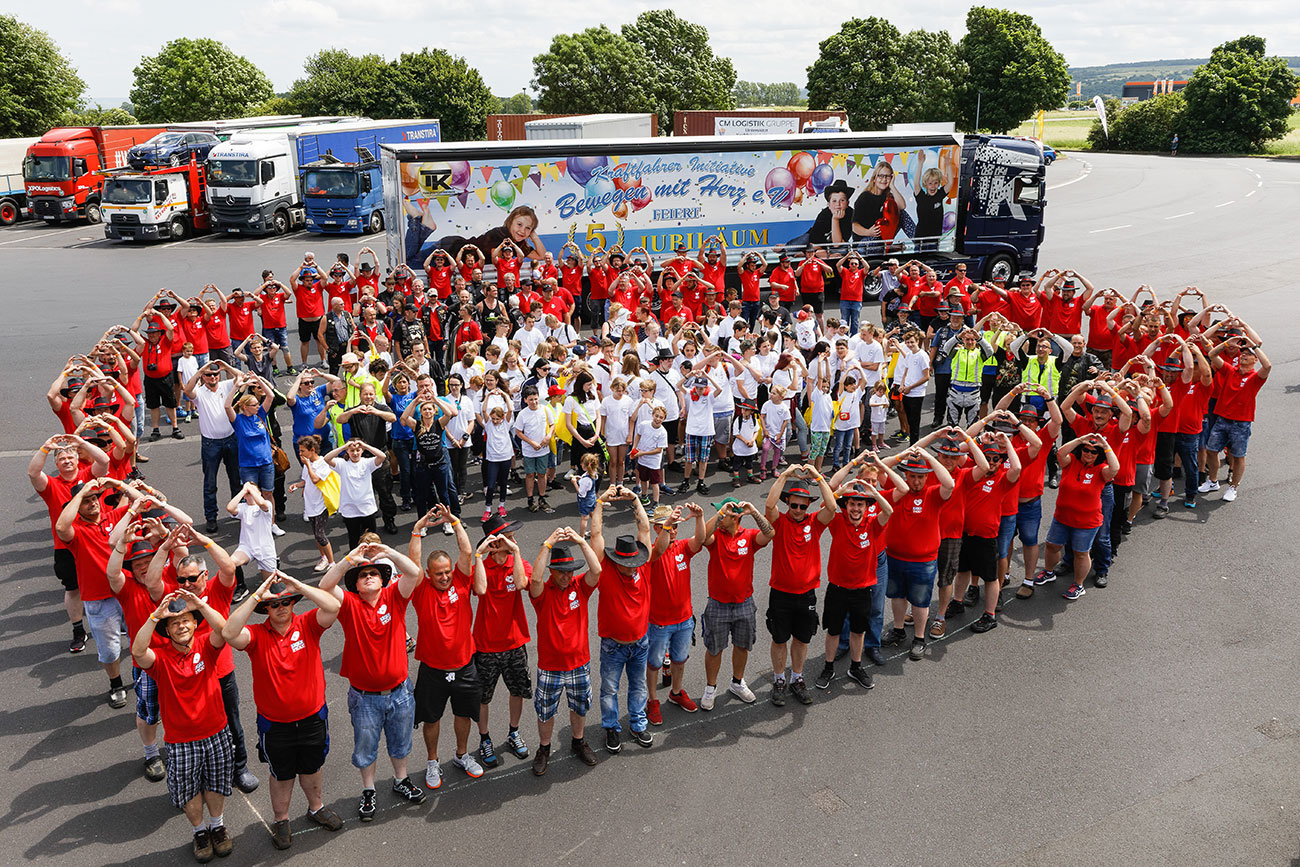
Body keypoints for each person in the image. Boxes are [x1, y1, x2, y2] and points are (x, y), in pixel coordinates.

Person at [222, 575, 344, 850]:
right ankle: (282, 821)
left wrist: (299, 585)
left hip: (313, 717)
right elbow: (229, 633)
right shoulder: (255, 634)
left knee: (312, 767)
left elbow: (334, 607)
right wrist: (256, 595)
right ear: (265, 608)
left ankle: (316, 808)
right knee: (281, 775)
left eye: (286, 602)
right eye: (274, 604)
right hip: (275, 725)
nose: (281, 608)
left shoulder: (308, 623)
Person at [318, 541, 427, 821]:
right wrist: (348, 561)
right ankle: (368, 789)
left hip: (400, 691)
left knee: (400, 742)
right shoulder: (349, 604)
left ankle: (401, 779)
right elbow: (325, 586)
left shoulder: (395, 597)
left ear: (383, 580)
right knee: (365, 748)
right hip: (364, 696)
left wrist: (388, 552)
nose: (368, 577)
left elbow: (414, 573)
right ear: (355, 585)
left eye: (374, 574)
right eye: (363, 575)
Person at [131, 591, 235, 862]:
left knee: (216, 783)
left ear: (195, 623)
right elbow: (137, 651)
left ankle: (218, 827)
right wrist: (155, 616)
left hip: (216, 732)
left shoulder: (206, 645)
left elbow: (224, 630)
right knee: (189, 790)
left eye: (187, 620)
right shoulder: (160, 659)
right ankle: (200, 833)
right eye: (175, 623)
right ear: (167, 629)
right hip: (181, 741)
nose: (182, 626)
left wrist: (200, 604)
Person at [406, 505, 490, 786]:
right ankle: (432, 762)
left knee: (463, 714)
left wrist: (454, 521)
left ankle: (462, 755)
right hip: (433, 669)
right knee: (431, 719)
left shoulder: (462, 582)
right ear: (429, 574)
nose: (444, 577)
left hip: (465, 665)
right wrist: (418, 529)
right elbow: (413, 562)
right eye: (438, 573)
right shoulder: (420, 589)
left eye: (447, 572)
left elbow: (467, 553)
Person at [458, 512, 533, 768]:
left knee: (517, 691)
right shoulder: (480, 565)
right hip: (485, 645)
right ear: (494, 541)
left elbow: (522, 583)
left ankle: (514, 731)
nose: (513, 540)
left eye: (513, 536)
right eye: (508, 536)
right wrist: (479, 556)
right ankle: (485, 738)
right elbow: (479, 589)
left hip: (515, 642)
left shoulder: (518, 562)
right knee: (483, 697)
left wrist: (515, 551)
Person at [528, 527, 604, 776]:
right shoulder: (542, 593)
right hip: (550, 667)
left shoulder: (580, 587)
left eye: (570, 571)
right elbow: (535, 580)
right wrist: (548, 543)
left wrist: (582, 541)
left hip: (579, 663)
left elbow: (597, 570)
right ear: (553, 571)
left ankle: (578, 741)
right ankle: (544, 749)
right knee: (545, 711)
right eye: (561, 571)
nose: (566, 576)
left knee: (580, 707)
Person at [763, 467, 837, 706]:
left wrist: (817, 475)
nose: (797, 510)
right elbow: (769, 506)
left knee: (802, 639)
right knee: (779, 638)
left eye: (803, 506)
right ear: (788, 504)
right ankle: (779, 680)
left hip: (806, 594)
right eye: (794, 505)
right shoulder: (780, 521)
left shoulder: (815, 523)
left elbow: (832, 507)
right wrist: (785, 474)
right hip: (781, 594)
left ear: (809, 506)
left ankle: (796, 678)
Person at [29, 434, 109, 653]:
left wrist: (82, 443)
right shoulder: (51, 485)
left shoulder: (88, 476)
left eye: (70, 457)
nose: (67, 460)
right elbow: (33, 472)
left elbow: (104, 462)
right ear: (56, 464)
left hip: (95, 541)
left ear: (77, 459)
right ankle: (78, 629)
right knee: (73, 589)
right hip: (65, 546)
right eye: (62, 458)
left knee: (109, 581)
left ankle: (116, 620)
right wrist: (45, 447)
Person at [589, 488, 655, 752]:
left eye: (635, 562)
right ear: (616, 561)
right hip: (613, 646)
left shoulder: (644, 565)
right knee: (609, 689)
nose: (632, 566)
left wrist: (636, 500)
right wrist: (600, 502)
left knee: (638, 688)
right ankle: (611, 728)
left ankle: (638, 724)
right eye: (627, 563)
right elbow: (596, 534)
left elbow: (645, 531)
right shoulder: (606, 568)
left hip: (640, 643)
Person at [698, 497, 776, 711]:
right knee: (714, 648)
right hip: (717, 604)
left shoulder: (748, 536)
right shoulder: (716, 537)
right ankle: (710, 688)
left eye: (724, 513)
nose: (720, 516)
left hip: (744, 603)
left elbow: (770, 533)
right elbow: (703, 537)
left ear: (736, 517)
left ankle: (737, 682)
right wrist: (721, 512)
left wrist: (753, 512)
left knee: (742, 645)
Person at [815, 479, 892, 689]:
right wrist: (841, 490)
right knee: (833, 631)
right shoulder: (837, 521)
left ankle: (855, 667)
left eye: (860, 504)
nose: (856, 508)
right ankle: (828, 668)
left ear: (866, 508)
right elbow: (825, 506)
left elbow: (889, 511)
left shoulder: (873, 525)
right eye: (852, 504)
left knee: (858, 632)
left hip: (862, 590)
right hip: (837, 588)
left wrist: (873, 492)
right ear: (846, 506)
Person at [882, 448, 954, 661]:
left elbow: (949, 483)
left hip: (923, 561)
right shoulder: (897, 490)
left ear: (927, 477)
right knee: (897, 596)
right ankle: (898, 630)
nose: (916, 481)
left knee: (920, 602)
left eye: (920, 477)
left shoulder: (933, 494)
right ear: (906, 475)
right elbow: (881, 468)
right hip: (895, 556)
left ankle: (920, 638)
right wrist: (901, 457)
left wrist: (930, 458)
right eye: (912, 476)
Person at [1037, 433, 1120, 601]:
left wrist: (1105, 445)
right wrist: (1080, 440)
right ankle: (1049, 572)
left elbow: (1115, 468)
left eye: (1093, 452)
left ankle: (1078, 585)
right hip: (1062, 517)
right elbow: (1059, 453)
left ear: (1099, 454)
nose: (1088, 454)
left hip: (1087, 522)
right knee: (1052, 545)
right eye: (1085, 450)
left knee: (1081, 553)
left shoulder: (1101, 470)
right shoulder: (1071, 462)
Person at [1204, 337, 1269, 502]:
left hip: (1241, 423)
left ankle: (1234, 487)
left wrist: (1254, 346)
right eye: (1242, 353)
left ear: (1255, 359)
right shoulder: (1230, 370)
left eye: (1248, 354)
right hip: (1222, 419)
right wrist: (1227, 343)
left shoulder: (1255, 377)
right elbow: (1212, 354)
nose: (1243, 355)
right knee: (1211, 450)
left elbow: (1267, 365)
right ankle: (1212, 481)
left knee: (1238, 455)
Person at [323, 439, 387, 549]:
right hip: (350, 510)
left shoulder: (367, 463)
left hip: (367, 508)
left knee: (371, 538)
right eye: (352, 450)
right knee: (354, 538)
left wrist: (366, 446)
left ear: (362, 451)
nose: (355, 453)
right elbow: (326, 458)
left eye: (358, 450)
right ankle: (356, 562)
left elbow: (382, 456)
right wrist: (343, 447)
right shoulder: (341, 464)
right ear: (347, 452)